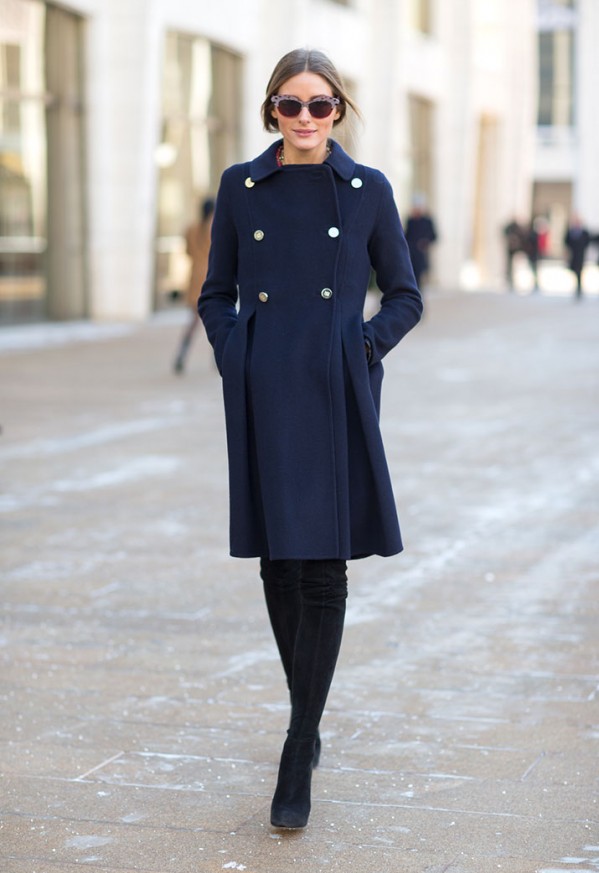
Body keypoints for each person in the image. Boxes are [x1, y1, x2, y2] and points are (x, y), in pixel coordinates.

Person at [198, 49, 422, 829]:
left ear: (338, 112)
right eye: (290, 104)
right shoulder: (240, 186)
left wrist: (360, 347)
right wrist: (236, 351)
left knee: (322, 566)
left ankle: (299, 744)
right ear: (271, 109)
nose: (304, 117)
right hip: (264, 388)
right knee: (279, 560)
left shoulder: (366, 191)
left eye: (319, 104)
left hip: (333, 389)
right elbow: (215, 292)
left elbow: (404, 295)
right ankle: (307, 717)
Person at [173, 198, 215, 373]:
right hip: (210, 277)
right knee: (216, 321)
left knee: (193, 322)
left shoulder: (191, 228)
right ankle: (219, 358)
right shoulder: (214, 228)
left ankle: (182, 355)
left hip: (195, 277)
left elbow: (188, 252)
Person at [404, 197, 437, 290]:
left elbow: (434, 236)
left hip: (421, 254)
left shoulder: (427, 221)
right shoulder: (410, 221)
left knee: (419, 279)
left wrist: (425, 242)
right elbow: (406, 236)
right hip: (410, 254)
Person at [564, 213, 591, 299]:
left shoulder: (584, 232)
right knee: (574, 271)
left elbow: (587, 242)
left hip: (580, 255)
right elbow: (566, 242)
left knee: (579, 271)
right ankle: (577, 287)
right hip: (573, 255)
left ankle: (579, 288)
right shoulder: (571, 232)